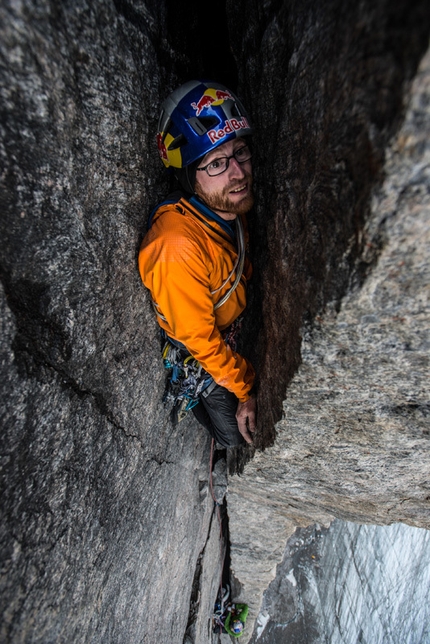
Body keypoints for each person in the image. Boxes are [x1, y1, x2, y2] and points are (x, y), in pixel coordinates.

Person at [138, 79, 256, 448]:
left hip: (222, 317)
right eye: (218, 163)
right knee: (236, 437)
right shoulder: (176, 246)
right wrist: (247, 387)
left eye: (240, 153)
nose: (238, 173)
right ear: (190, 176)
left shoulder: (224, 206)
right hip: (200, 347)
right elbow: (201, 342)